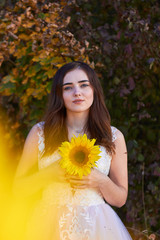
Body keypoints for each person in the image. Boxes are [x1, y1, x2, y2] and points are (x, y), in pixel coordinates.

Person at [14, 61, 132, 240]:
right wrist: (49, 174)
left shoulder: (113, 136)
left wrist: (100, 180)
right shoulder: (40, 133)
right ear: (59, 95)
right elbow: (18, 189)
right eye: (68, 88)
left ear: (94, 90)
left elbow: (120, 199)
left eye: (84, 85)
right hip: (47, 226)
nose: (77, 92)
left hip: (98, 227)